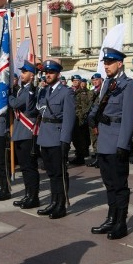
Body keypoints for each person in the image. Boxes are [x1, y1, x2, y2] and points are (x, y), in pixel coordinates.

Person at [88, 48, 133, 238]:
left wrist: (123, 144)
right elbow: (98, 106)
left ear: (119, 64)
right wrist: (92, 116)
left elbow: (129, 117)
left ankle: (121, 223)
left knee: (119, 185)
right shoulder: (106, 84)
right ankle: (111, 218)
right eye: (105, 63)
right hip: (104, 141)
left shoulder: (128, 85)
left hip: (117, 140)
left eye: (110, 63)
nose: (106, 66)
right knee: (109, 184)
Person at [35, 60, 76, 219]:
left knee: (59, 173)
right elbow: (37, 109)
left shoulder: (66, 92)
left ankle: (61, 204)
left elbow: (69, 118)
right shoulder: (44, 91)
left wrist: (65, 141)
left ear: (58, 74)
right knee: (51, 173)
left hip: (57, 136)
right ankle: (53, 201)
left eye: (51, 72)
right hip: (45, 136)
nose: (48, 75)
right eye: (46, 72)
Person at [10, 61, 40, 209]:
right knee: (24, 168)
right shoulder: (23, 89)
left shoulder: (30, 90)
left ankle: (33, 197)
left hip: (27, 133)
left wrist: (9, 97)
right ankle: (28, 194)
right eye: (21, 72)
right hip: (19, 132)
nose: (21, 75)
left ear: (31, 75)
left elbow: (16, 104)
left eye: (24, 72)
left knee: (29, 167)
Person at [71, 75, 93, 165]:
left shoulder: (83, 92)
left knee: (80, 139)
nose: (75, 82)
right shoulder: (71, 91)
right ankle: (78, 155)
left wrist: (83, 116)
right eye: (74, 81)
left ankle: (80, 157)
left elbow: (87, 105)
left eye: (77, 81)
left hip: (80, 118)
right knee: (75, 139)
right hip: (73, 118)